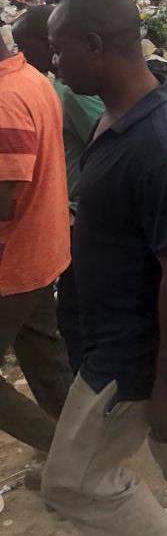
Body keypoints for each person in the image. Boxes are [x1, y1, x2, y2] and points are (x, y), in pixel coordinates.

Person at [41, 0, 167, 536]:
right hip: (162, 340)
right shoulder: (127, 114)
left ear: (95, 45)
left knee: (73, 483)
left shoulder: (156, 142)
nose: (52, 63)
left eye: (59, 49)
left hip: (135, 352)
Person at [12, 5, 105, 371]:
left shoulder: (68, 94)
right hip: (66, 216)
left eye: (25, 44)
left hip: (78, 217)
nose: (21, 54)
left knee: (74, 312)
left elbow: (105, 143)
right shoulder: (44, 87)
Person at [0, 25, 71, 455]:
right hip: (43, 247)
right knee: (45, 358)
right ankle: (84, 452)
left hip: (12, 263)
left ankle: (65, 454)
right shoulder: (31, 78)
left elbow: (2, 200)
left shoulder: (5, 101)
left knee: (45, 355)